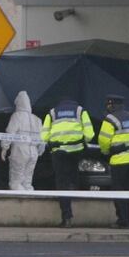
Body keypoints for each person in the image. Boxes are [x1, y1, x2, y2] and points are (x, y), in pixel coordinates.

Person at [42, 97, 94, 227]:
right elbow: (90, 134)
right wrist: (81, 142)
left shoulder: (52, 112)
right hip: (76, 151)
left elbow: (43, 136)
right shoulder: (80, 111)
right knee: (73, 176)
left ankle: (66, 217)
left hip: (58, 152)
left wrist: (54, 142)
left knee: (61, 182)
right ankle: (73, 188)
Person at [98, 95, 129, 229]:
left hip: (119, 159)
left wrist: (106, 152)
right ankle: (127, 220)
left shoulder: (110, 119)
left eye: (109, 105)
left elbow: (104, 141)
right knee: (128, 191)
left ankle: (121, 221)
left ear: (112, 105)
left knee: (118, 190)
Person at [3, 91, 44, 191]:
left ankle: (18, 204)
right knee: (27, 182)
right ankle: (29, 203)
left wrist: (4, 148)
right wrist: (40, 150)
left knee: (15, 181)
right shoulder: (37, 120)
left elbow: (10, 133)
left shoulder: (17, 116)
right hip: (33, 153)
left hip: (19, 151)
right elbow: (42, 138)